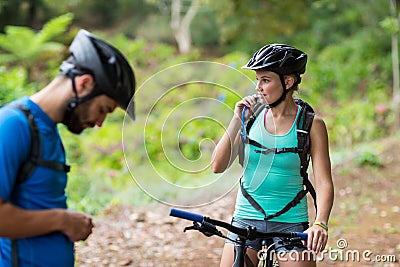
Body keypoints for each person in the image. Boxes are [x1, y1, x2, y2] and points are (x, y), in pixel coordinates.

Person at [0, 29, 136, 267]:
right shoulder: (14, 125)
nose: (100, 123)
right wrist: (63, 220)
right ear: (84, 84)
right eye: (103, 109)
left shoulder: (48, 132)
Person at [211, 44, 334, 266]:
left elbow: (324, 181)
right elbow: (217, 165)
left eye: (265, 80)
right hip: (246, 219)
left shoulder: (311, 124)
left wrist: (320, 223)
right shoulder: (250, 117)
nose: (258, 87)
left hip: (291, 223)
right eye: (257, 80)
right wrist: (237, 118)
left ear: (288, 82)